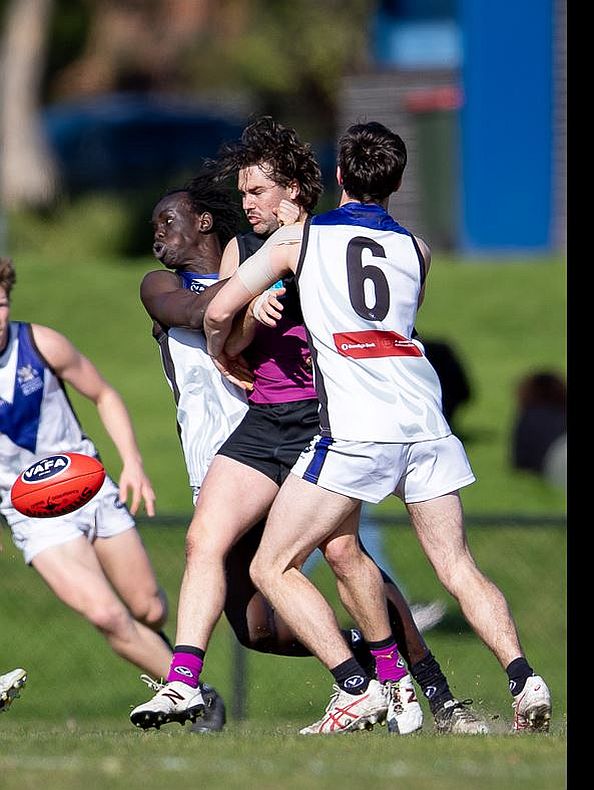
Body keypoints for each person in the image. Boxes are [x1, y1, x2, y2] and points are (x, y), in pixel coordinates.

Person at [130, 123, 486, 735]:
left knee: (346, 555)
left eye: (257, 190)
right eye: (243, 193)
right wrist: (244, 314)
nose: (247, 203)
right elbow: (220, 320)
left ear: (292, 189)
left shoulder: (322, 242)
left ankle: (429, 691)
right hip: (257, 426)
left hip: (321, 421)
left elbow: (376, 328)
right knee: (234, 591)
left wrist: (258, 300)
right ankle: (193, 682)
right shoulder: (238, 255)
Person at [204, 121, 552, 733]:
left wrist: (221, 353)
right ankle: (523, 678)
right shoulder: (418, 249)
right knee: (455, 566)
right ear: (396, 182)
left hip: (357, 431)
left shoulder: (297, 238)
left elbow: (218, 309)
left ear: (339, 175)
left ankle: (355, 686)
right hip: (426, 421)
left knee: (270, 567)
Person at [0, 257, 213, 723]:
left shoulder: (39, 343)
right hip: (31, 512)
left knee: (149, 609)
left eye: (0, 304)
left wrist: (132, 462)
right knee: (106, 615)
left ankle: (176, 678)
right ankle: (197, 695)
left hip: (88, 487)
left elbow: (104, 395)